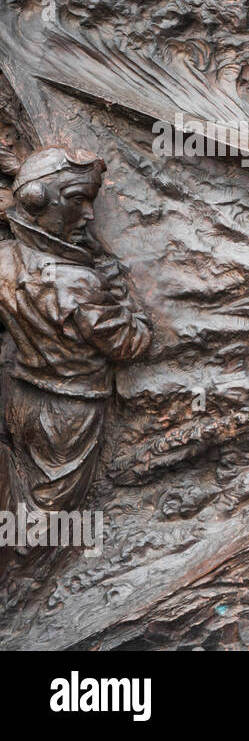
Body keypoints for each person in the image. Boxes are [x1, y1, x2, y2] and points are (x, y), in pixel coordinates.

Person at [0, 146, 152, 515]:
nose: (89, 214)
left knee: (20, 492)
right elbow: (130, 345)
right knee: (51, 510)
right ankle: (27, 564)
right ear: (38, 201)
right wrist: (120, 291)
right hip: (69, 411)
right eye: (78, 200)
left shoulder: (4, 256)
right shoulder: (77, 282)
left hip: (21, 396)